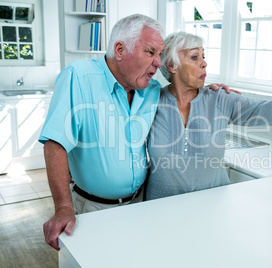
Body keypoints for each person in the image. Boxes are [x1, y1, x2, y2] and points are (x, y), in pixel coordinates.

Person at [41, 14, 231, 251]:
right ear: (119, 50)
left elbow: (181, 91)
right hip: (93, 209)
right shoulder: (78, 77)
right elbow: (55, 143)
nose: (158, 63)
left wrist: (210, 89)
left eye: (160, 55)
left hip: (141, 205)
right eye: (150, 52)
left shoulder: (151, 89)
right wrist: (63, 208)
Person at [145, 31, 272, 200]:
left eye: (204, 57)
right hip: (160, 207)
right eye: (195, 57)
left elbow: (266, 111)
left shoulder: (219, 98)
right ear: (171, 65)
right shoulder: (149, 102)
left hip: (211, 206)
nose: (204, 63)